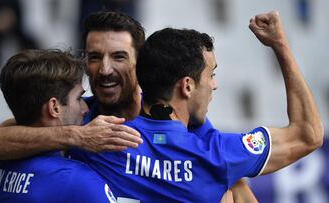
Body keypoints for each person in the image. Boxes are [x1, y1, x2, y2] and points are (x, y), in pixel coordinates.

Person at [0, 11, 256, 202]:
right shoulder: (74, 116)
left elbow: (234, 182)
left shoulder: (185, 124)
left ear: (140, 63)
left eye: (119, 56)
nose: (105, 69)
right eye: (95, 57)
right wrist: (77, 136)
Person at [67, 11, 323, 202]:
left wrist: (73, 137)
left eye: (119, 56)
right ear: (187, 86)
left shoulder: (91, 141)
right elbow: (308, 134)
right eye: (211, 75)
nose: (214, 85)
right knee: (234, 188)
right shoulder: (214, 157)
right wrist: (280, 45)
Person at [0, 49, 117, 202]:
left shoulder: (4, 159)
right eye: (79, 98)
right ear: (54, 107)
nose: (86, 108)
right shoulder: (75, 179)